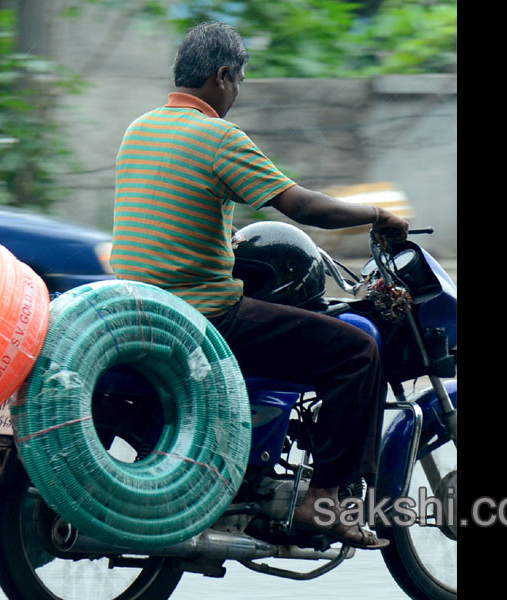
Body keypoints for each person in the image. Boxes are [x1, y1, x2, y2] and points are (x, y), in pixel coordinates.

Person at [109, 21, 409, 550]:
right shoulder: (218, 136)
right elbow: (301, 206)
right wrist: (377, 214)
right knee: (357, 352)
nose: (236, 94)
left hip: (139, 307)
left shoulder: (139, 129)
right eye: (239, 81)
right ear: (223, 77)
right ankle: (327, 505)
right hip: (202, 313)